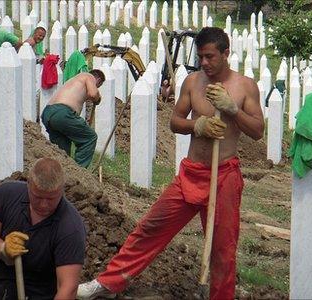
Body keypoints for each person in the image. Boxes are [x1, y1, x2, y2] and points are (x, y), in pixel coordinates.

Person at [77, 27, 264, 300]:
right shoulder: (192, 82)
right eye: (201, 56)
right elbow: (175, 122)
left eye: (211, 56)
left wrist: (233, 110)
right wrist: (197, 125)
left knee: (223, 249)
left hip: (224, 176)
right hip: (192, 173)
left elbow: (258, 131)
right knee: (151, 227)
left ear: (226, 53)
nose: (205, 63)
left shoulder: (245, 86)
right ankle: (108, 284)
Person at [0, 158, 86, 300]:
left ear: (62, 190)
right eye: (38, 197)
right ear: (28, 184)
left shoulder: (70, 228)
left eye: (51, 199)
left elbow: (67, 289)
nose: (44, 205)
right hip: (2, 291)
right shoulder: (6, 195)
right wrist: (3, 249)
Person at [41, 70, 106, 168]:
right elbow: (93, 94)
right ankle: (79, 171)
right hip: (62, 113)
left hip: (48, 113)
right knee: (89, 138)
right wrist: (98, 98)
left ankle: (61, 173)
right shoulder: (88, 76)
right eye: (98, 86)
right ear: (98, 80)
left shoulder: (74, 81)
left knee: (62, 151)